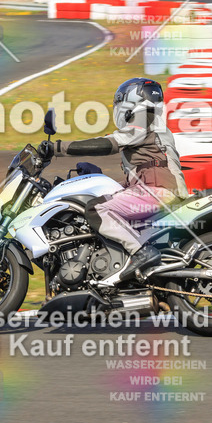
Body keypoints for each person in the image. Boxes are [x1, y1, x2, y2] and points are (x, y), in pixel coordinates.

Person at [41, 77, 187, 287]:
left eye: (120, 101)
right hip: (160, 191)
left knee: (96, 208)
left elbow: (107, 144)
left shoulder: (144, 121)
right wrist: (97, 175)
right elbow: (141, 175)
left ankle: (142, 253)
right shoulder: (153, 125)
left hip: (158, 192)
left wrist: (57, 148)